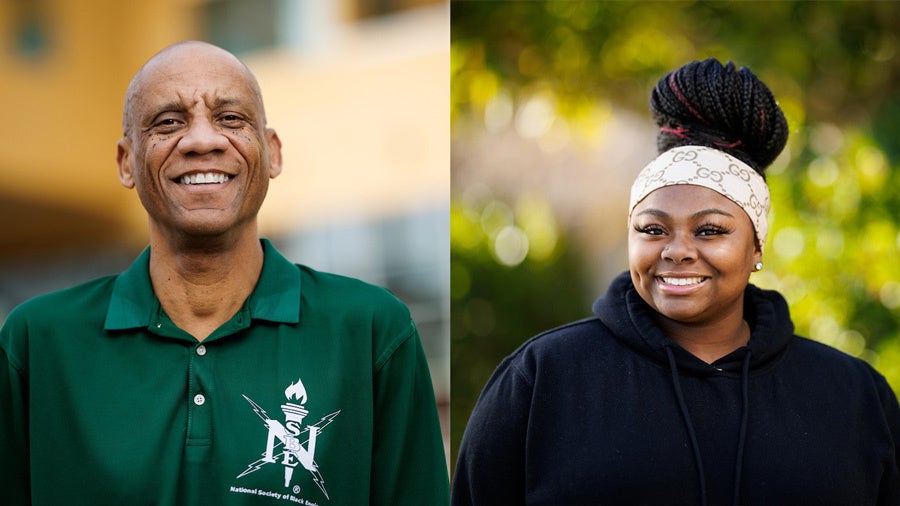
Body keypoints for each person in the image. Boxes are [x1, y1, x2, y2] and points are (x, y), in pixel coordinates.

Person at [0, 41, 449, 505]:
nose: (202, 141)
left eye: (231, 119)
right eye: (168, 122)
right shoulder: (36, 342)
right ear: (126, 162)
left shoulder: (372, 331)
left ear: (272, 152)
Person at [452, 58, 900, 505]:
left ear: (756, 247)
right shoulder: (540, 379)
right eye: (652, 229)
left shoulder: (854, 397)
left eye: (710, 230)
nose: (677, 249)